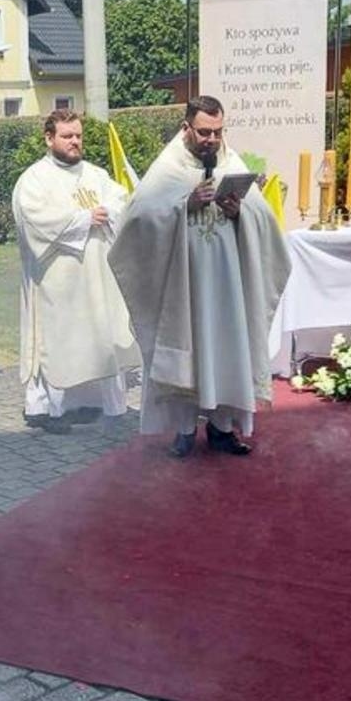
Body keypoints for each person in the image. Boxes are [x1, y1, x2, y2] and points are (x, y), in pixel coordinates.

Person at [109, 96, 290, 458]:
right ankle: (185, 430)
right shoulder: (167, 169)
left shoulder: (232, 162)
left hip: (227, 285)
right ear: (186, 128)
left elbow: (264, 220)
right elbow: (139, 220)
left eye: (218, 132)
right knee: (191, 352)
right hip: (184, 286)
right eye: (204, 131)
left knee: (226, 347)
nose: (211, 139)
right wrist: (183, 206)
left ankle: (223, 429)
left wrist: (241, 214)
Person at [12, 110, 139, 434]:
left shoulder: (95, 174)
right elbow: (34, 219)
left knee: (102, 337)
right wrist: (83, 219)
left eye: (78, 135)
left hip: (97, 279)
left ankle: (107, 404)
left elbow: (120, 201)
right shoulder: (34, 179)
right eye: (67, 136)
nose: (75, 142)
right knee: (61, 341)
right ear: (49, 138)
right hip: (58, 281)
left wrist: (106, 212)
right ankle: (54, 409)